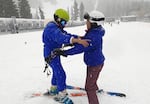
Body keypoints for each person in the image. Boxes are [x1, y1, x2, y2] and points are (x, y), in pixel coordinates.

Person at [55, 10, 105, 104]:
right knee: (92, 80)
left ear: (94, 23)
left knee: (89, 88)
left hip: (94, 64)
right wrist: (72, 42)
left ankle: (93, 96)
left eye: (88, 22)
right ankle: (95, 88)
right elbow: (82, 41)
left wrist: (64, 52)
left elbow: (79, 48)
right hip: (94, 63)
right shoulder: (95, 33)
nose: (86, 23)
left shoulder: (93, 37)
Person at [42, 8, 89, 103]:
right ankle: (61, 95)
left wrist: (78, 37)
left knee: (56, 72)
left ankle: (54, 89)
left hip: (54, 53)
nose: (64, 25)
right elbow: (61, 37)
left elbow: (66, 34)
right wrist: (75, 40)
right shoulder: (51, 28)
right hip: (51, 54)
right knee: (61, 74)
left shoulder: (56, 27)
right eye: (63, 22)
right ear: (58, 19)